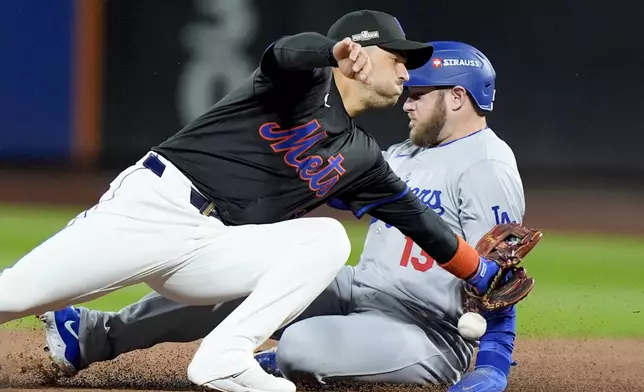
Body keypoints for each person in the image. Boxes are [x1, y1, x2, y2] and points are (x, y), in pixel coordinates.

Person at [0, 9, 505, 392]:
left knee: (325, 239)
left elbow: (417, 220)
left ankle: (225, 357)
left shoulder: (362, 156)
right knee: (16, 296)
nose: (406, 73)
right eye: (398, 59)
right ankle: (81, 330)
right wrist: (329, 53)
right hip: (154, 210)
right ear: (361, 55)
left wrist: (478, 271)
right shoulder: (304, 82)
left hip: (211, 248)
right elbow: (286, 51)